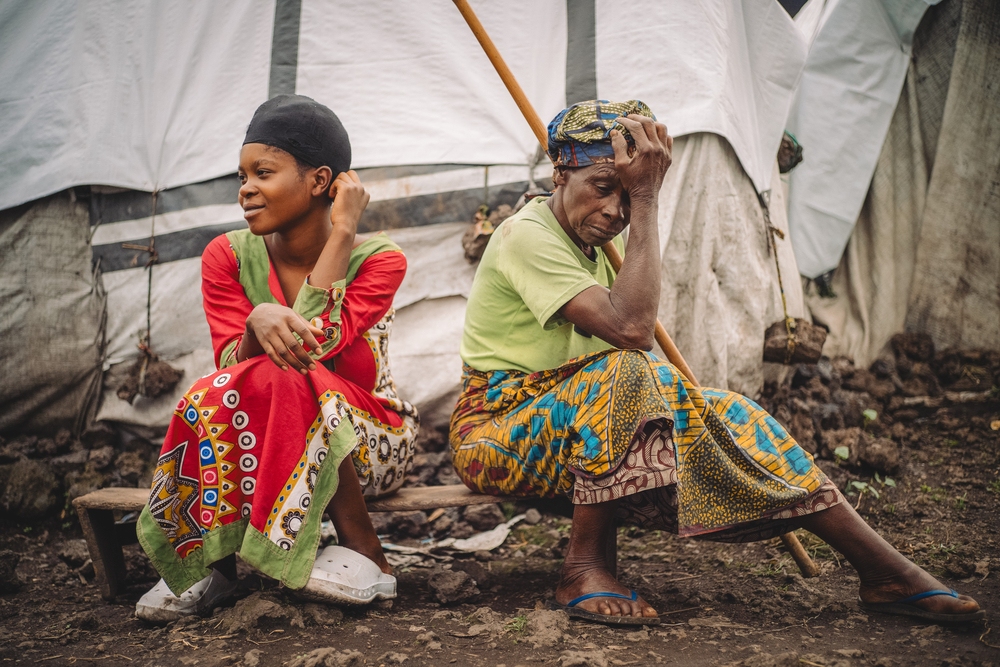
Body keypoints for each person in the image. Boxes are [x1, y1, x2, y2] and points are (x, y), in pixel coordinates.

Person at [450, 99, 984, 626]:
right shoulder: (525, 234)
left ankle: (884, 570)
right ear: (560, 172)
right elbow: (631, 332)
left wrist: (643, 198)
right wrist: (647, 200)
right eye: (602, 187)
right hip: (493, 430)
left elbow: (624, 347)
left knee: (731, 411)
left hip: (566, 427)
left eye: (631, 197)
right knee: (627, 371)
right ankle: (584, 568)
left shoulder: (600, 250)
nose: (615, 211)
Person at [135, 95, 418, 622]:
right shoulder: (226, 255)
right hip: (262, 437)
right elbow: (230, 373)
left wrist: (343, 233)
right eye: (241, 175)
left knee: (291, 373)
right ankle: (212, 566)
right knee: (215, 390)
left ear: (320, 181)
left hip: (371, 441)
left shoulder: (378, 259)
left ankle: (367, 553)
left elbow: (316, 345)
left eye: (263, 172)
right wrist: (253, 321)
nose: (245, 188)